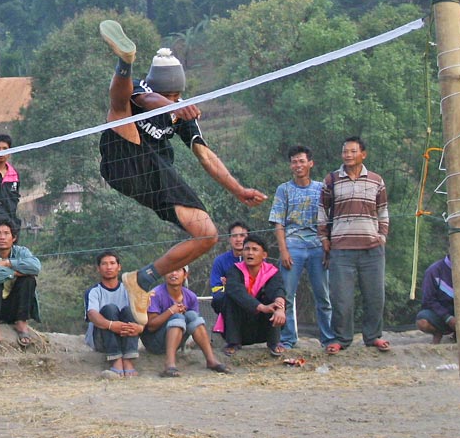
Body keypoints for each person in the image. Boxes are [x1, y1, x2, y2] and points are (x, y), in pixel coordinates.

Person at [97, 20, 267, 324]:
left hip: (155, 174)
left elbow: (205, 155)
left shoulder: (183, 110)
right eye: (172, 95)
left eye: (177, 97)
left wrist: (238, 190)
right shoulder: (146, 91)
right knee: (119, 110)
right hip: (122, 156)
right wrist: (168, 105)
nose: (177, 101)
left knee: (207, 235)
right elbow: (145, 100)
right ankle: (125, 62)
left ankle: (142, 280)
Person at [318, 136, 389, 354]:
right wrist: (324, 238)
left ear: (363, 154)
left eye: (352, 151)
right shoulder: (331, 180)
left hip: (372, 248)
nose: (347, 155)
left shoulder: (376, 180)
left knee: (375, 296)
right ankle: (341, 338)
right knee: (341, 298)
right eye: (345, 151)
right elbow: (322, 211)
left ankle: (373, 336)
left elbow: (383, 210)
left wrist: (382, 235)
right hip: (341, 249)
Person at [269, 145, 335, 350]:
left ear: (310, 163)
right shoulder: (284, 189)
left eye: (301, 161)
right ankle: (288, 339)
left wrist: (328, 247)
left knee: (323, 295)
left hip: (317, 246)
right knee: (286, 295)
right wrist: (284, 250)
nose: (298, 165)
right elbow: (278, 223)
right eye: (294, 162)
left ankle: (328, 338)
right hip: (293, 245)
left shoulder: (321, 188)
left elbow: (330, 220)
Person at [142, 265, 230, 375]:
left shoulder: (191, 296)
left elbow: (194, 323)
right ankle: (169, 364)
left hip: (177, 340)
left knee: (192, 315)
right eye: (169, 270)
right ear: (164, 274)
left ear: (185, 275)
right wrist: (171, 311)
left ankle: (211, 359)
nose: (173, 273)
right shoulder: (155, 294)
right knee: (178, 317)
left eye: (178, 270)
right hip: (155, 342)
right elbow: (151, 326)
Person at [0, 219, 41, 345]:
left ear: (13, 237)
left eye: (6, 233)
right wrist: (14, 273)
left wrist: (7, 263)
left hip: (14, 307)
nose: (2, 237)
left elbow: (35, 267)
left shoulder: (22, 251)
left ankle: (21, 323)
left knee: (28, 279)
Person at [219, 235, 287, 356]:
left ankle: (274, 343)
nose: (250, 253)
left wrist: (280, 307)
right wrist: (261, 307)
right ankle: (233, 343)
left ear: (264, 255)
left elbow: (277, 289)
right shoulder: (234, 270)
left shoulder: (272, 272)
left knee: (273, 302)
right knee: (229, 298)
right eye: (247, 249)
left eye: (255, 249)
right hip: (241, 327)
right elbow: (236, 291)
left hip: (262, 328)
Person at [84, 251, 143, 377]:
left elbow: (140, 313)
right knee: (109, 309)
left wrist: (140, 328)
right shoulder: (94, 292)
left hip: (125, 335)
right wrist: (111, 325)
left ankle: (128, 360)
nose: (109, 267)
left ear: (119, 267)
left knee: (129, 311)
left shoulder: (129, 290)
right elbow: (92, 315)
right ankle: (116, 360)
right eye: (104, 264)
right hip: (101, 338)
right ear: (98, 268)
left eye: (112, 263)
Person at [209, 222, 249, 315]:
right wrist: (228, 288)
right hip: (229, 303)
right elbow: (216, 290)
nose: (238, 239)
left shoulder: (256, 259)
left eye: (242, 235)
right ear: (229, 239)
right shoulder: (220, 261)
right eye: (234, 236)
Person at [416, 255, 457, 345]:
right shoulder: (434, 270)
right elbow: (428, 299)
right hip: (440, 312)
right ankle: (438, 332)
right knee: (422, 321)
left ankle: (458, 334)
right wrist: (448, 318)